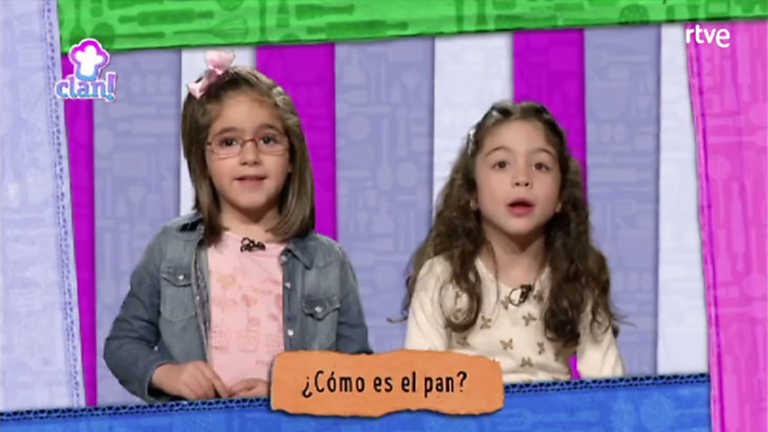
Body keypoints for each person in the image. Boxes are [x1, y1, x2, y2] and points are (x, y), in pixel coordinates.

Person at [104, 50, 371, 403]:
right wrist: (168, 373)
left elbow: (357, 376)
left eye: (268, 139)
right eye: (229, 142)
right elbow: (123, 344)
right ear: (203, 158)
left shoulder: (328, 262)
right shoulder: (172, 248)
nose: (250, 157)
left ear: (292, 155)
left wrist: (290, 391)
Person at [403, 101, 625, 382]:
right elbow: (420, 385)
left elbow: (611, 390)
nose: (522, 179)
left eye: (540, 166)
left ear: (560, 197)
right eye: (501, 164)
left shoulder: (577, 278)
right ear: (472, 193)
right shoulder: (442, 277)